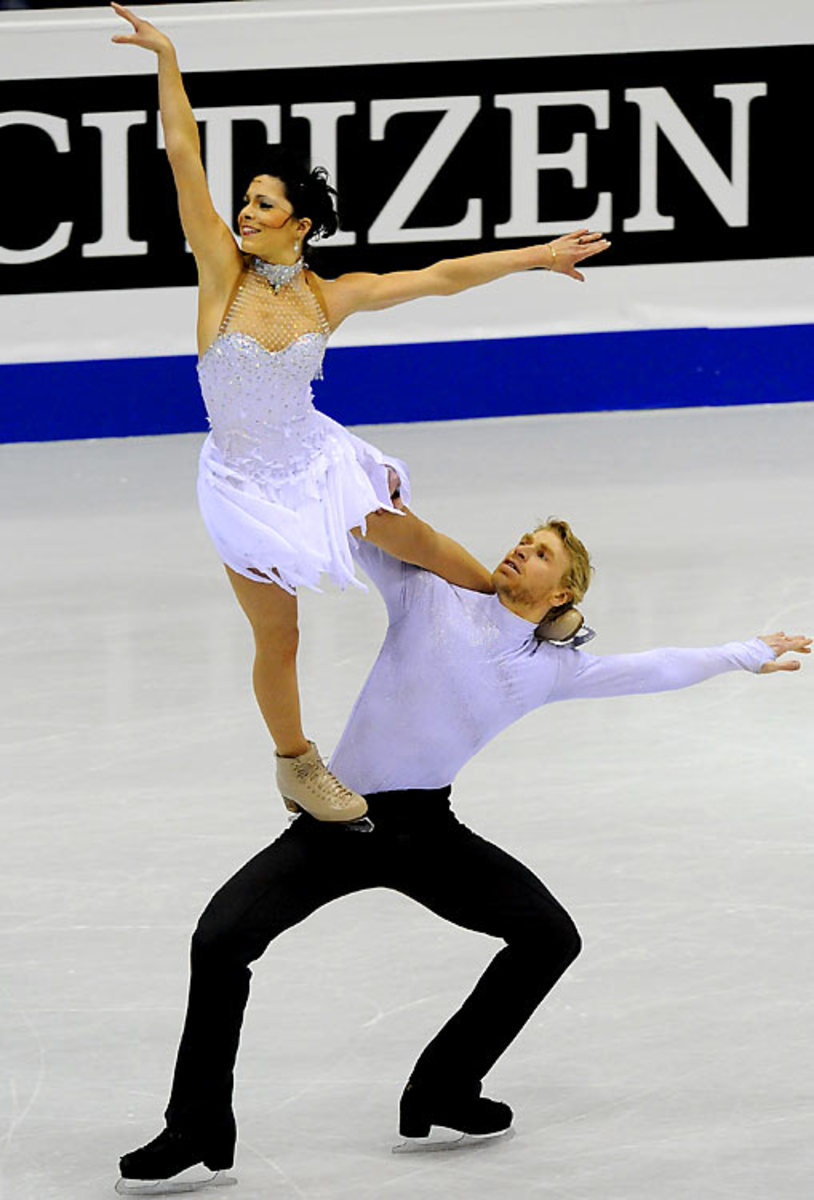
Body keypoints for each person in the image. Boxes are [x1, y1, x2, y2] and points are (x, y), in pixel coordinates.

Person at [116, 515, 810, 1193]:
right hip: (339, 821)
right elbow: (375, 532)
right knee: (219, 940)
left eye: (541, 555)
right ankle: (197, 1127)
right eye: (523, 541)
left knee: (547, 938)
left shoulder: (551, 668)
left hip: (423, 829)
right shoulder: (429, 595)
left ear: (562, 594)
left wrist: (743, 653)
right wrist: (359, 485)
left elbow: (652, 667)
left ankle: (445, 1088)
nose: (520, 551)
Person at [110, 2, 611, 827]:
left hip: (315, 459)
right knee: (281, 638)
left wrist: (538, 256)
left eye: (264, 206)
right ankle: (297, 764)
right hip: (243, 486)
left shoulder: (330, 297)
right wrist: (166, 58)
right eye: (246, 202)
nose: (245, 214)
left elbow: (443, 275)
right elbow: (180, 153)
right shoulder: (219, 275)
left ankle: (516, 606)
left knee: (416, 539)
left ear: (299, 226)